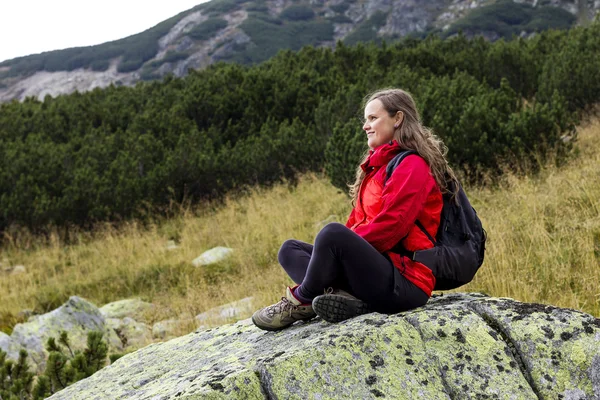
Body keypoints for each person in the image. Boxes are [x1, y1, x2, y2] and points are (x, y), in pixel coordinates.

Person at [252, 88, 460, 331]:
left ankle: (301, 299)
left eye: (373, 118)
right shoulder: (376, 169)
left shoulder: (412, 164)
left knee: (332, 235)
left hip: (405, 281)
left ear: (398, 118)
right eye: (365, 119)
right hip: (377, 271)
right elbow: (357, 225)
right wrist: (338, 254)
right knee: (290, 249)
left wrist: (339, 250)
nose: (365, 126)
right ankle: (348, 297)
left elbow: (392, 227)